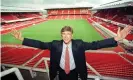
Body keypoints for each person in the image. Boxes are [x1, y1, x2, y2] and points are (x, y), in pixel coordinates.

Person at [11, 25, 132, 80]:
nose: (66, 36)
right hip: (60, 72)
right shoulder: (55, 44)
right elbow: (40, 44)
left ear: (72, 35)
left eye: (68, 34)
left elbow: (96, 44)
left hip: (75, 72)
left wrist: (116, 39)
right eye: (64, 34)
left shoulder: (79, 44)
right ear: (61, 35)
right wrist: (22, 39)